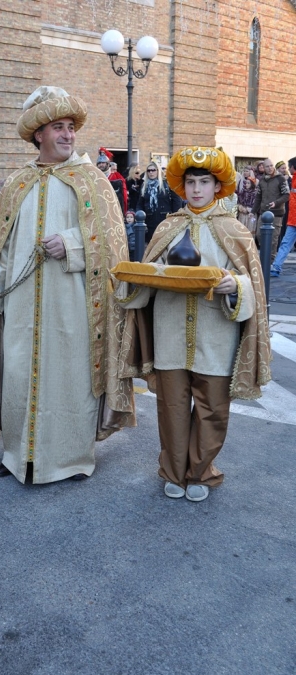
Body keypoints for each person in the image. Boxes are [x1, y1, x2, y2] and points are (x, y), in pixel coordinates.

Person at [0, 85, 136, 484]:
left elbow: (112, 245)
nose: (68, 135)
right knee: (19, 377)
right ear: (38, 134)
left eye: (71, 127)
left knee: (69, 380)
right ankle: (17, 453)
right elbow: (1, 250)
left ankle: (71, 457)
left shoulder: (92, 181)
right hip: (21, 308)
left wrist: (72, 243)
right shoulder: (17, 183)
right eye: (58, 127)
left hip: (74, 306)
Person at [118, 146, 271, 502]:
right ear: (181, 186)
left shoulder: (235, 231)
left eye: (205, 181)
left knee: (212, 409)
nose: (197, 189)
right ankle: (173, 470)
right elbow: (143, 285)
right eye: (191, 182)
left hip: (216, 336)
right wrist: (135, 279)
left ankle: (201, 473)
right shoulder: (167, 228)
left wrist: (238, 285)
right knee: (171, 408)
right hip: (170, 334)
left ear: (218, 187)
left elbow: (254, 285)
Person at [136, 160, 183, 243]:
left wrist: (175, 216)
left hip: (165, 219)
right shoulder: (144, 186)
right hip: (149, 220)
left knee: (164, 244)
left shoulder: (167, 184)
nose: (151, 172)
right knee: (151, 245)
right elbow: (140, 203)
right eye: (149, 170)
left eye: (153, 170)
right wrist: (139, 215)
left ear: (158, 171)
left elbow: (177, 200)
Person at [252, 158, 290, 261]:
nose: (270, 168)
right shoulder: (262, 181)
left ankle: (271, 260)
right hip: (264, 213)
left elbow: (287, 195)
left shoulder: (281, 179)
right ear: (263, 168)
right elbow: (258, 198)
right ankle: (265, 256)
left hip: (277, 214)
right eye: (267, 166)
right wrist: (253, 211)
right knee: (259, 235)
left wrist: (276, 203)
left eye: (271, 165)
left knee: (273, 239)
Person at [271, 157, 296, 277]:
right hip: (292, 220)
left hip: (293, 219)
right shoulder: (292, 179)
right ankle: (276, 267)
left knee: (285, 243)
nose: (288, 169)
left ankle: (276, 267)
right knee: (285, 243)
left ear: (293, 167)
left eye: (288, 166)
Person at [96, 147, 128, 214]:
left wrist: (123, 212)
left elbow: (123, 196)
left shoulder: (116, 176)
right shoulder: (95, 176)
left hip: (113, 208)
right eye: (99, 163)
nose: (101, 165)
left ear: (108, 164)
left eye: (103, 163)